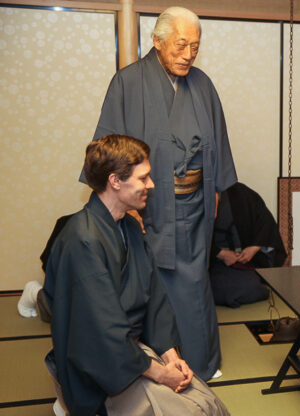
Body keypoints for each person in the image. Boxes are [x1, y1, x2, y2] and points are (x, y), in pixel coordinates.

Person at [44, 135, 232, 416]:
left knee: (212, 411)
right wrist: (160, 375)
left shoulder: (129, 226)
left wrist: (171, 356)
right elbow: (101, 331)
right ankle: (77, 415)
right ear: (115, 181)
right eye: (143, 178)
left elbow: (154, 297)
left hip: (130, 354)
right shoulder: (82, 240)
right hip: (99, 367)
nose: (152, 185)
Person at [86, 6, 237, 380]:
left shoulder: (202, 84)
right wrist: (122, 200)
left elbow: (217, 140)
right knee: (148, 280)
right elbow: (108, 148)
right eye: (180, 45)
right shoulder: (128, 83)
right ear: (156, 41)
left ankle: (201, 361)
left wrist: (215, 186)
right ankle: (153, 364)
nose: (188, 55)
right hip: (148, 205)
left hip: (195, 202)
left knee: (196, 281)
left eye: (195, 47)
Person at [210, 182, 287, 307]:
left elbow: (265, 222)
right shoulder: (193, 198)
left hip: (241, 262)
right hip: (211, 263)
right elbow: (189, 237)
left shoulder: (240, 193)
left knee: (251, 288)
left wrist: (255, 247)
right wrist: (220, 254)